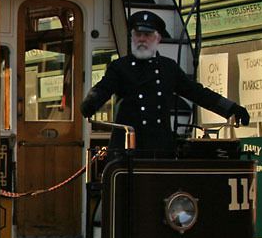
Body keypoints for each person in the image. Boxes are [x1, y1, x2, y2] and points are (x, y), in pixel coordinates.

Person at [80, 11, 250, 152]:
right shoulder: (120, 67)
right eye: (138, 34)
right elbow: (103, 88)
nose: (142, 39)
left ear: (158, 38)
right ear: (132, 37)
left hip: (160, 148)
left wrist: (231, 108)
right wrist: (91, 102)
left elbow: (197, 93)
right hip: (127, 149)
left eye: (147, 35)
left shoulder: (168, 68)